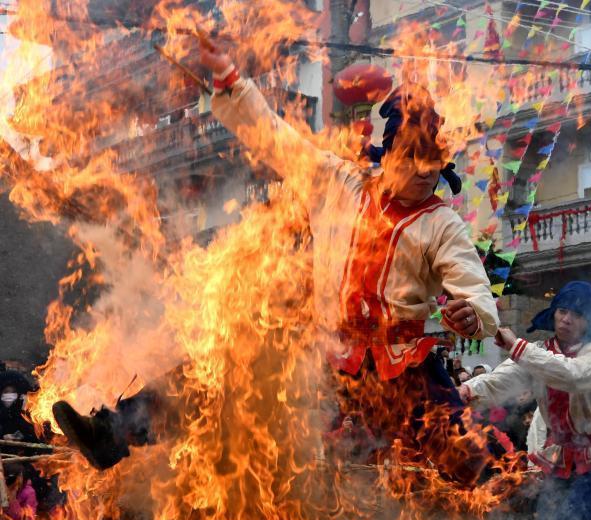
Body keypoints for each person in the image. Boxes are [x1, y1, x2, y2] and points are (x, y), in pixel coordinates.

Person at [52, 36, 500, 486]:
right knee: (217, 376)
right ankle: (110, 434)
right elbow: (274, 138)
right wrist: (231, 80)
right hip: (327, 354)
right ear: (389, 154)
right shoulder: (338, 183)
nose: (425, 171)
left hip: (402, 366)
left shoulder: (443, 224)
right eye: (414, 156)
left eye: (434, 159)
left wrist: (472, 315)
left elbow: (475, 289)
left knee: (472, 463)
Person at [459, 281, 591, 520]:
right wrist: (464, 391)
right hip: (559, 459)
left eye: (576, 314)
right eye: (562, 310)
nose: (566, 319)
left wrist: (517, 347)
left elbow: (572, 375)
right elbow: (501, 381)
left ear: (587, 320)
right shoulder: (538, 353)